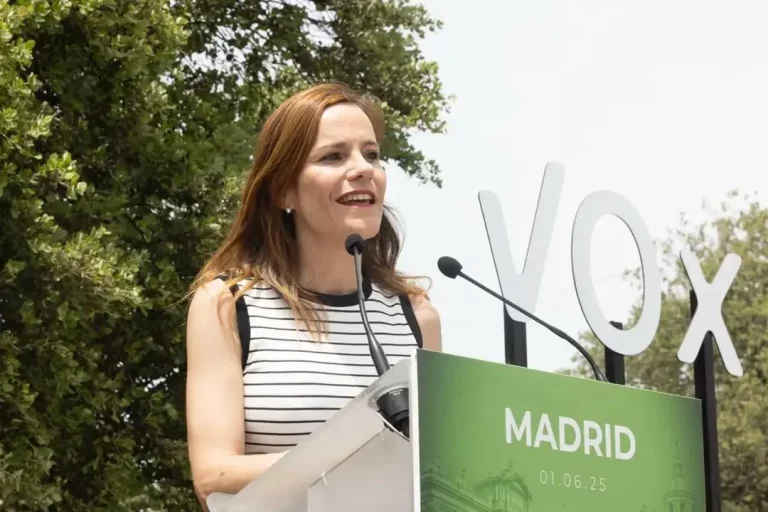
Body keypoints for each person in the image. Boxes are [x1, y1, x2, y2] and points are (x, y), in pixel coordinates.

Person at [184, 82, 442, 506]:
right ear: (284, 190)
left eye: (372, 154)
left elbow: (436, 465)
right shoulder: (228, 303)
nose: (363, 168)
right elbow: (214, 473)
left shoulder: (416, 315)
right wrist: (356, 461)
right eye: (333, 156)